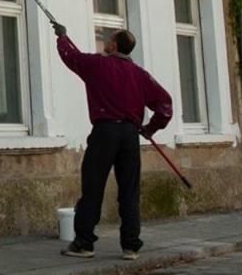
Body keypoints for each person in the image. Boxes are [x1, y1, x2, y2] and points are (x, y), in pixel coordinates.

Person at [51, 22, 172, 261]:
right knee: (129, 190)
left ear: (115, 44)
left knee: (93, 188)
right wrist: (150, 129)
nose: (106, 41)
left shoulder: (98, 65)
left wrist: (61, 37)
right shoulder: (140, 74)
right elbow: (164, 104)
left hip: (105, 132)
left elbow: (71, 58)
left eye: (110, 38)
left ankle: (84, 243)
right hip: (129, 134)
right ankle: (131, 246)